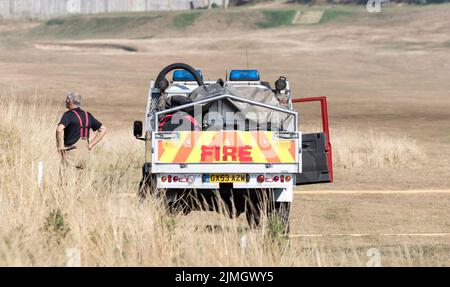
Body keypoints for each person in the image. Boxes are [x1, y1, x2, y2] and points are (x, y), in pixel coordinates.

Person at [56, 92, 107, 169]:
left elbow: (59, 130)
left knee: (66, 179)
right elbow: (103, 129)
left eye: (67, 99)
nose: (65, 101)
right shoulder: (87, 115)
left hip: (71, 153)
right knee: (82, 180)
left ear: (70, 101)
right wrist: (90, 146)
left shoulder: (68, 114)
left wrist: (59, 147)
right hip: (85, 155)